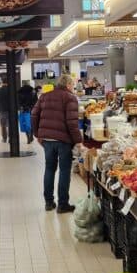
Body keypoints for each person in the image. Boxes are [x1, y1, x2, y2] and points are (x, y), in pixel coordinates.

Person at [31, 74, 82, 213]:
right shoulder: (70, 98)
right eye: (72, 85)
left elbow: (34, 114)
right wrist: (78, 141)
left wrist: (38, 134)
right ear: (68, 85)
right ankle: (62, 204)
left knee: (49, 169)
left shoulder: (44, 96)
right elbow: (72, 123)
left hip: (47, 140)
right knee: (64, 171)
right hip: (63, 140)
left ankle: (49, 203)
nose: (73, 87)